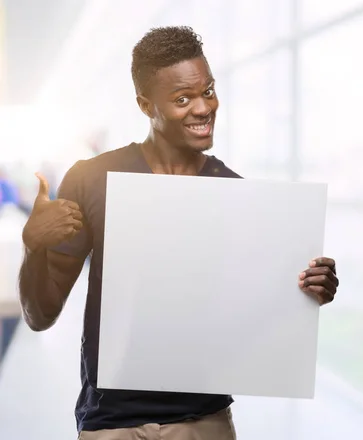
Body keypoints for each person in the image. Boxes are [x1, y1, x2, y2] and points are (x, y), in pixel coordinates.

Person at [18, 26, 339, 440]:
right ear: (145, 105)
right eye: (182, 99)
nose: (203, 108)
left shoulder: (235, 193)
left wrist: (308, 293)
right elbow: (40, 315)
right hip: (111, 423)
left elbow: (256, 320)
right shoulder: (94, 179)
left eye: (208, 90)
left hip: (204, 421)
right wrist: (33, 247)